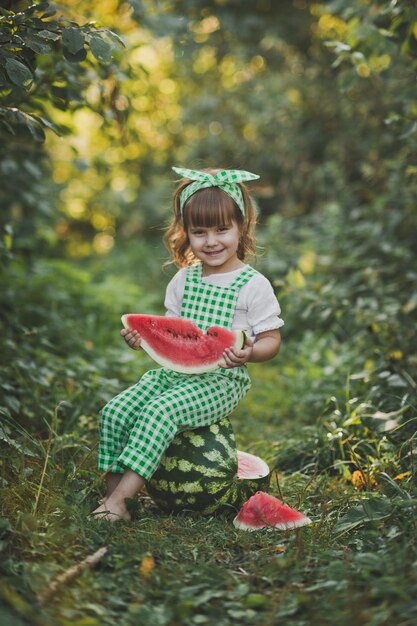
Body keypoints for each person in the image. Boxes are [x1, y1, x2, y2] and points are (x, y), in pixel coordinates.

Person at [92, 167, 284, 521]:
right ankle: (113, 498)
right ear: (187, 234)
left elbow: (272, 340)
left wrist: (249, 353)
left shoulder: (252, 285)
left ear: (241, 227)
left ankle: (122, 502)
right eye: (199, 232)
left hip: (222, 382)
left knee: (160, 413)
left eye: (222, 229)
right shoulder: (183, 279)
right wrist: (142, 340)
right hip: (172, 376)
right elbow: (172, 333)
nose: (211, 241)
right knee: (114, 412)